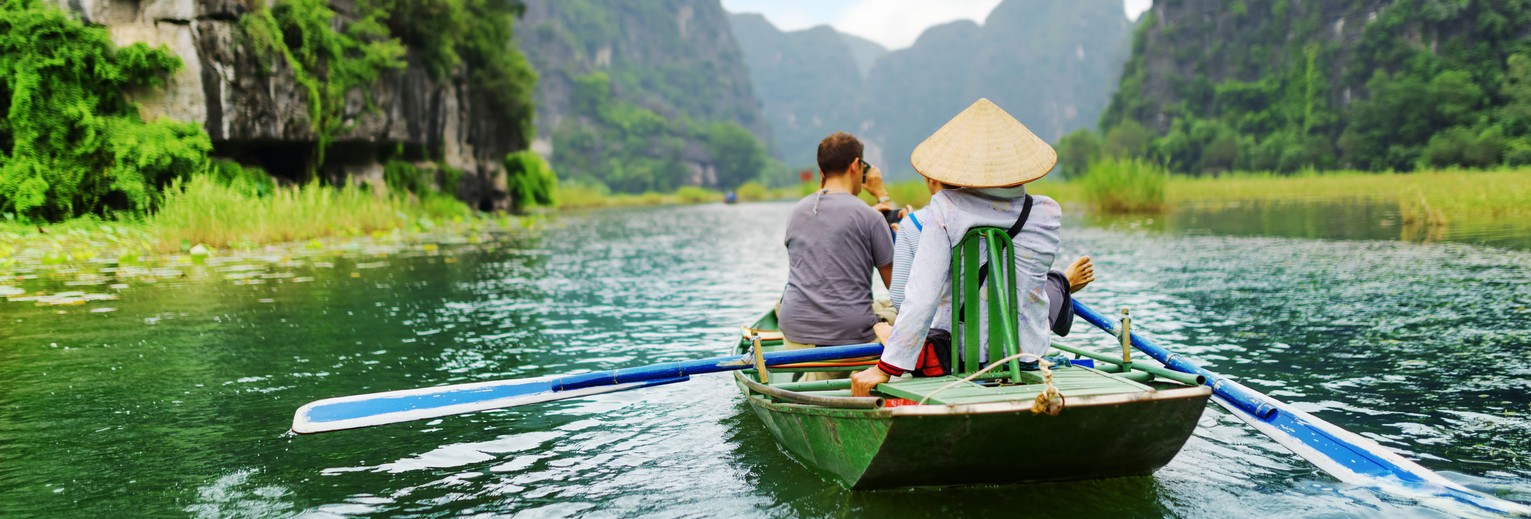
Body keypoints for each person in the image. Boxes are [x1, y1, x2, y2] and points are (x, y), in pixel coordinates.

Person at [852, 98, 1065, 396]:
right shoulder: (1048, 213)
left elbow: (921, 296)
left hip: (959, 359)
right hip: (1029, 356)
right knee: (1058, 284)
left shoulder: (945, 207)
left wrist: (885, 368)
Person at [889, 174, 1095, 341]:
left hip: (949, 346)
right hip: (1022, 346)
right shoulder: (1044, 213)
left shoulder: (916, 223)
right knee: (1048, 282)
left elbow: (900, 299)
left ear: (931, 179)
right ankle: (1064, 281)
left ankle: (1062, 281)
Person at [777, 132, 896, 380]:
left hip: (794, 335)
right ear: (856, 166)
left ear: (821, 171)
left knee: (875, 307)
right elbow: (898, 290)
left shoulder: (797, 212)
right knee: (895, 309)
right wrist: (882, 197)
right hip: (851, 340)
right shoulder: (870, 218)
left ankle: (810, 378)